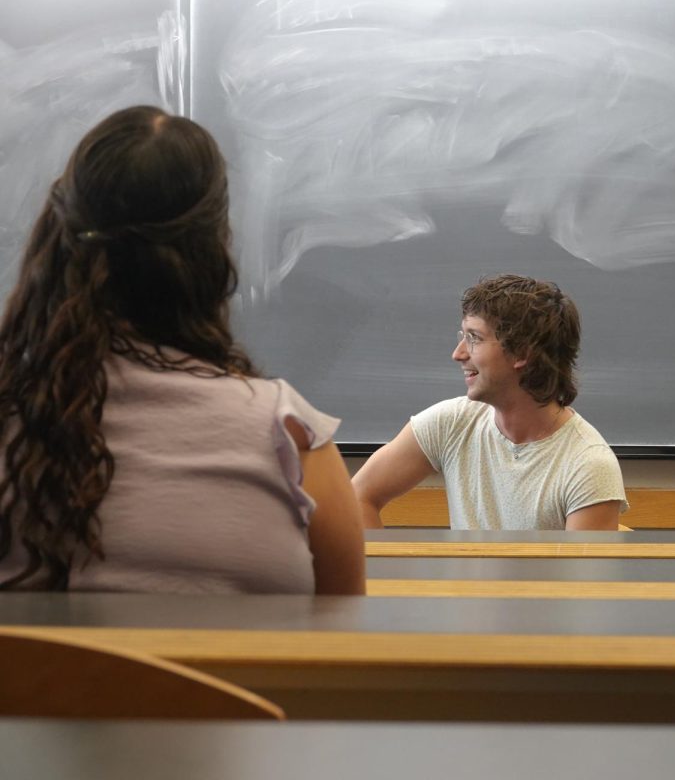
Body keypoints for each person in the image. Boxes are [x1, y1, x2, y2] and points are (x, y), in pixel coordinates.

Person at [0, 106, 365, 594]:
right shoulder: (291, 438)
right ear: (213, 251)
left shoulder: (13, 415)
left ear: (62, 236)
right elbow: (345, 647)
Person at [354, 274, 627, 530]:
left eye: (474, 338)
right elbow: (357, 497)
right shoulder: (450, 423)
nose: (458, 354)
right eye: (463, 336)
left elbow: (585, 580)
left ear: (521, 352)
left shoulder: (589, 464)